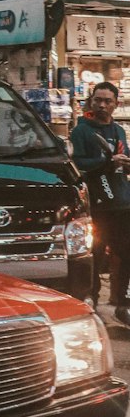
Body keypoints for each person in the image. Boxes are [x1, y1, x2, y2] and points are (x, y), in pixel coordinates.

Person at [71, 81, 130, 318]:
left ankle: (121, 301)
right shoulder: (81, 131)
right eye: (98, 100)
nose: (102, 105)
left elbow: (122, 157)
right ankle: (91, 301)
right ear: (91, 101)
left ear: (116, 104)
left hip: (122, 202)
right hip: (96, 203)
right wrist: (106, 163)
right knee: (93, 254)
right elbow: (78, 166)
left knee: (126, 252)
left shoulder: (118, 131)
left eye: (108, 101)